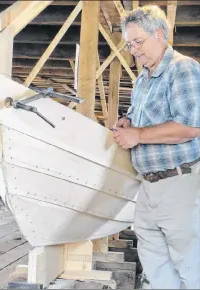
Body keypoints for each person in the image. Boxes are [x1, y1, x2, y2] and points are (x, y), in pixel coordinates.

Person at [113, 5, 200, 289]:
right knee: (154, 259)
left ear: (160, 34)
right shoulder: (143, 79)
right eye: (129, 44)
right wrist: (128, 123)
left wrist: (137, 134)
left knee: (189, 260)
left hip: (179, 181)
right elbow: (143, 121)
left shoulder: (183, 68)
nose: (133, 50)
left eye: (138, 42)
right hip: (148, 184)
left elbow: (190, 127)